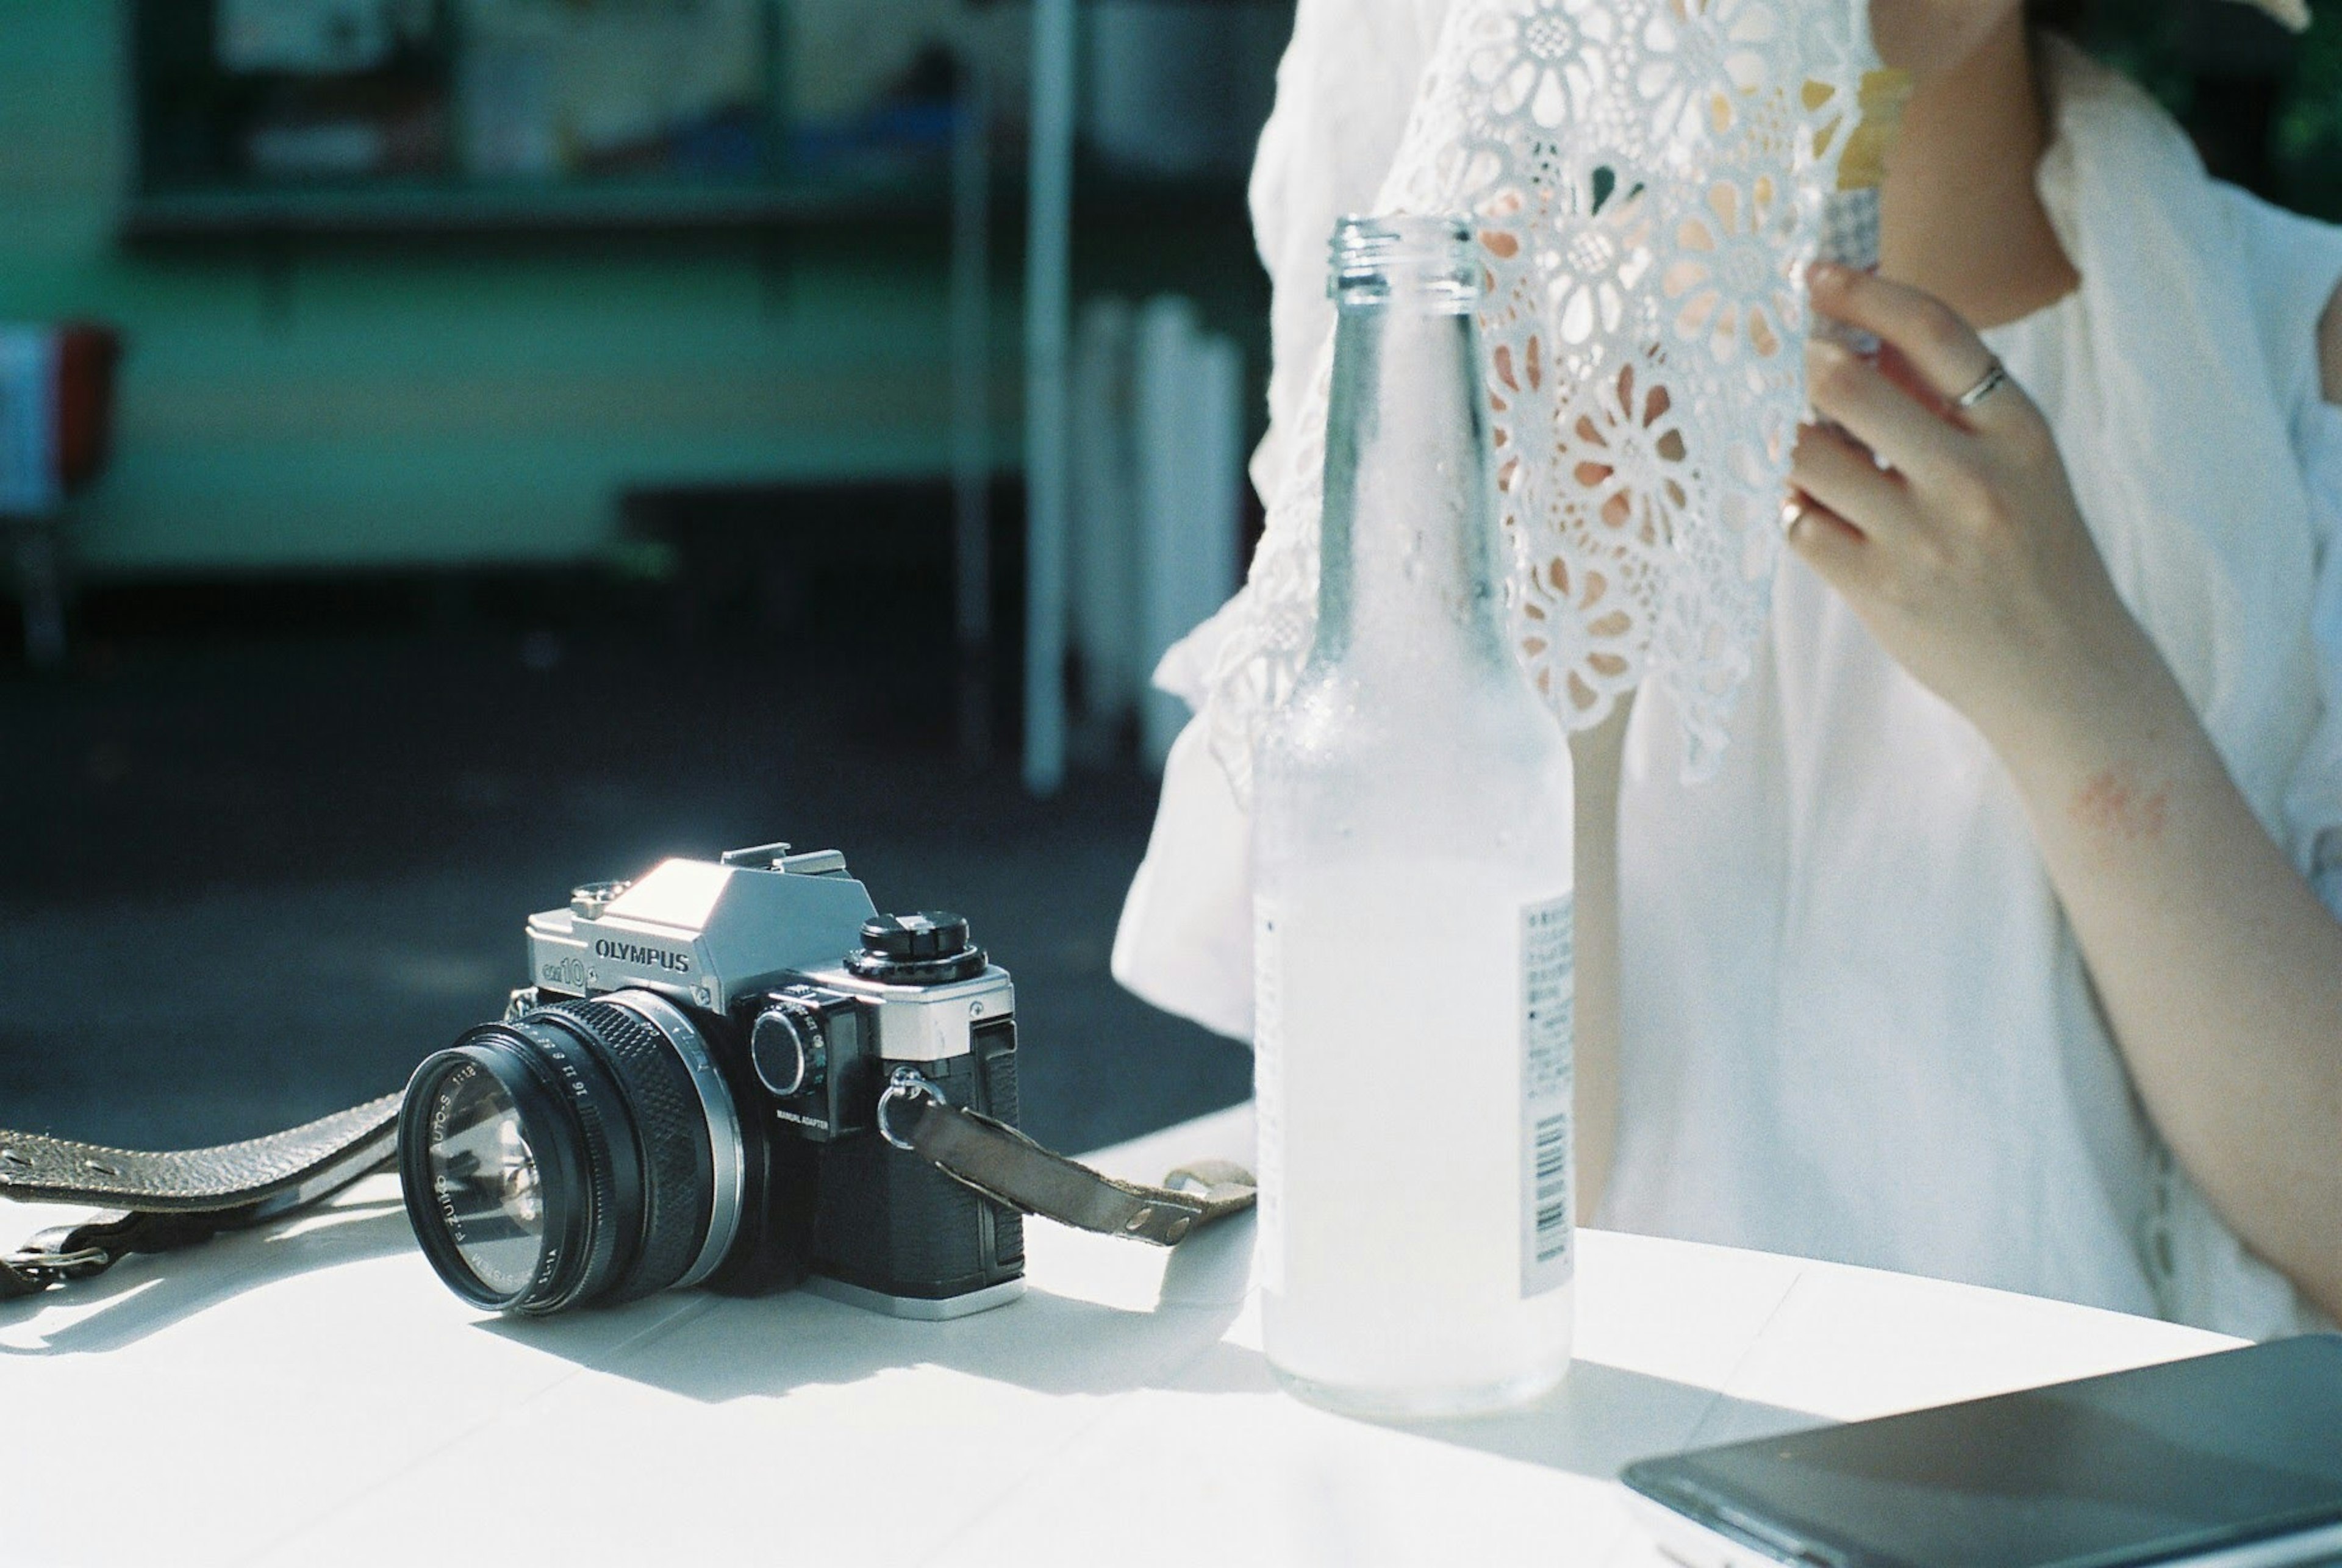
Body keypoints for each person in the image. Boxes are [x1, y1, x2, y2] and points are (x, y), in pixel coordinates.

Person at [1114, 0, 2342, 1339]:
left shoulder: (2291, 357)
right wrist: (1549, 665)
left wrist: (2083, 688)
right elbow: (1418, 1218)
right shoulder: (1477, 366)